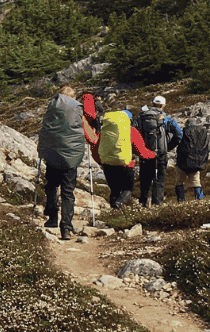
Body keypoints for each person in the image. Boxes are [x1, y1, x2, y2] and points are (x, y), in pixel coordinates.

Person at [37, 84, 84, 240]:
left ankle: (52, 218)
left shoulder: (52, 107)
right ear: (72, 96)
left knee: (51, 186)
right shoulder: (77, 108)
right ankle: (66, 227)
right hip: (70, 157)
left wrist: (42, 150)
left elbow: (45, 130)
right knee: (67, 192)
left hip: (53, 154)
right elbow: (83, 128)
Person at [93, 97, 155, 209]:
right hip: (125, 165)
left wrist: (100, 162)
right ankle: (119, 205)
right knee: (127, 190)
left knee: (114, 190)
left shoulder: (105, 131)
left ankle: (114, 213)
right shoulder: (131, 131)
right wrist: (153, 155)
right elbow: (141, 151)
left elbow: (97, 147)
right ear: (129, 120)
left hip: (108, 165)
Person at [136, 95, 183, 207]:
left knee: (145, 179)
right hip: (161, 153)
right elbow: (179, 135)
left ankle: (143, 204)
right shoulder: (166, 118)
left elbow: (134, 132)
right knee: (159, 179)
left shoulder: (141, 116)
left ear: (152, 104)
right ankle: (157, 205)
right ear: (163, 105)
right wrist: (168, 147)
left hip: (145, 153)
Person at [175, 115, 210, 201]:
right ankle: (199, 200)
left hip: (183, 162)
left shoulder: (183, 131)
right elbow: (208, 147)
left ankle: (181, 201)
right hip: (197, 161)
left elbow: (178, 144)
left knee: (179, 182)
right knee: (196, 183)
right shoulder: (203, 132)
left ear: (186, 123)